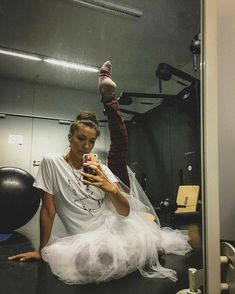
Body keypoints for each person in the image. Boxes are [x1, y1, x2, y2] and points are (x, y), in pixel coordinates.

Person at [8, 61, 191, 284]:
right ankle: (145, 245)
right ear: (70, 137)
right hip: (84, 237)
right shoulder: (52, 162)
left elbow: (123, 211)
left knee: (119, 154)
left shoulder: (101, 168)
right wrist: (42, 250)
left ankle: (147, 243)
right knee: (87, 261)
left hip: (113, 226)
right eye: (81, 139)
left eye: (92, 141)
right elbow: (48, 209)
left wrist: (109, 186)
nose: (86, 146)